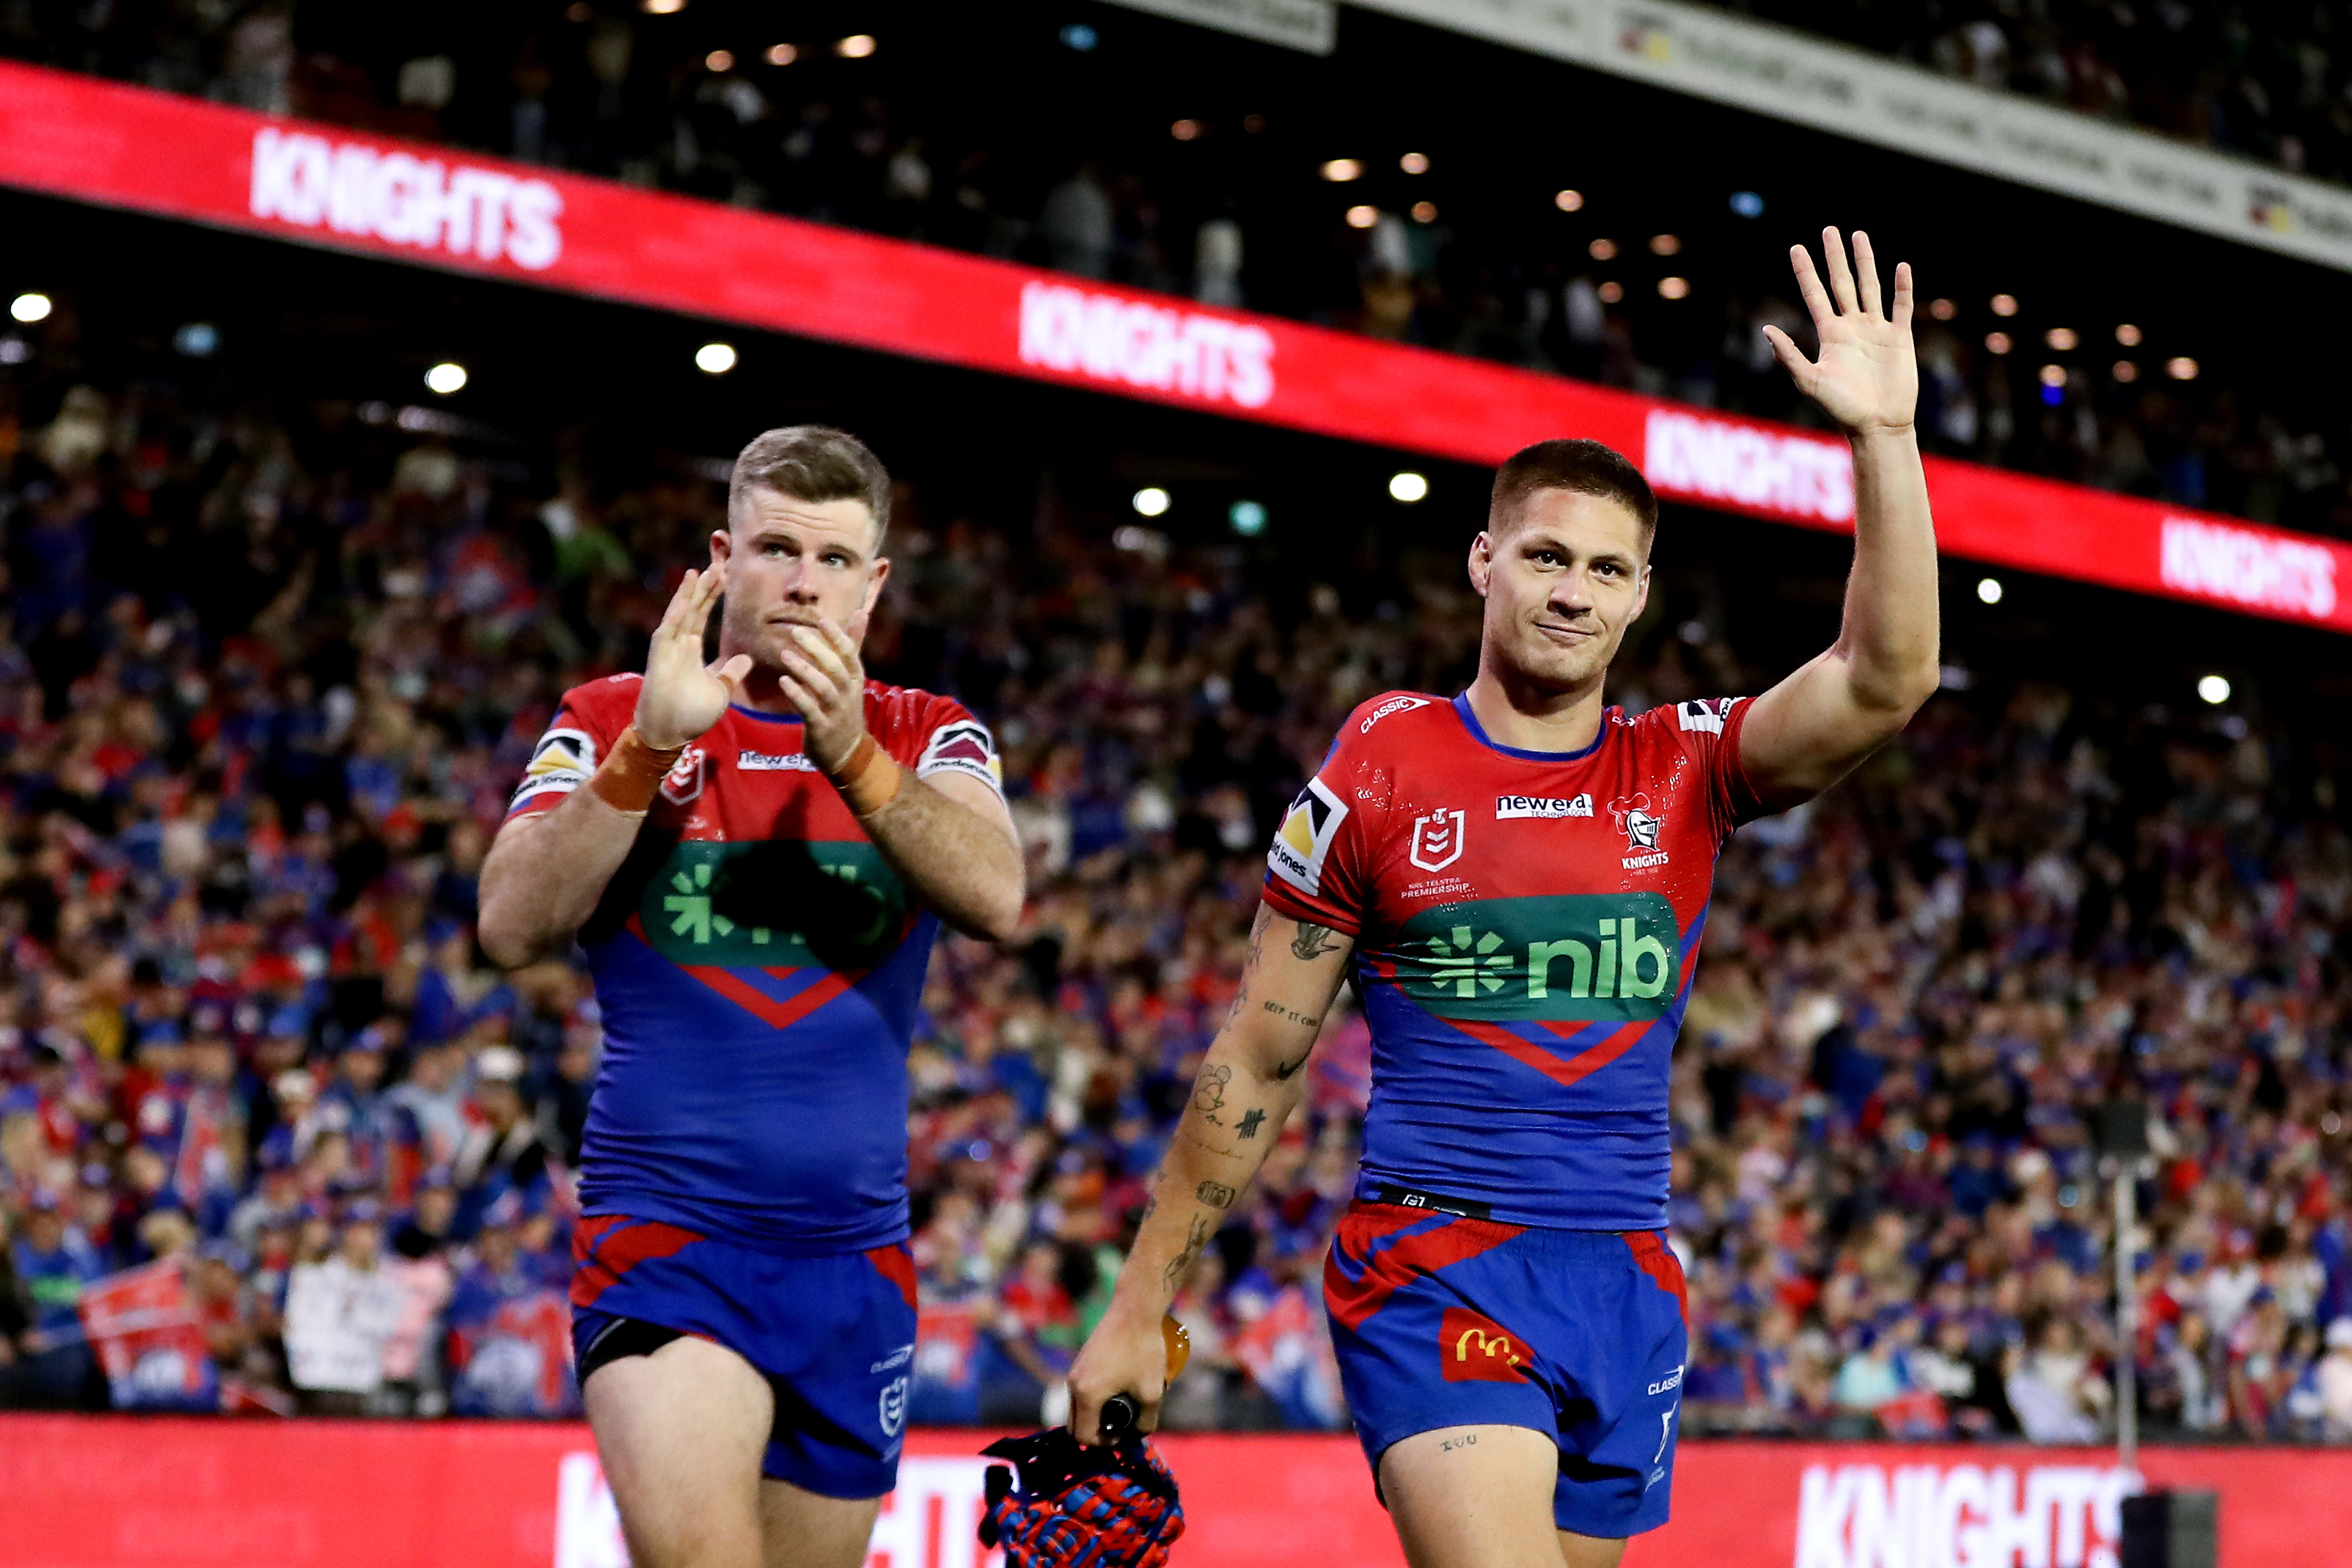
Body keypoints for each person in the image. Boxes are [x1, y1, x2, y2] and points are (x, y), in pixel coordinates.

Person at [1069, 230, 1937, 1567]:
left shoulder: (1686, 768)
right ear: (1485, 564)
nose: (1571, 592)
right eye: (1545, 558)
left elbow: (1885, 681)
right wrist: (1144, 1303)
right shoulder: (1384, 763)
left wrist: (1884, 441)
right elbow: (1259, 1051)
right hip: (1435, 1262)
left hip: (1626, 1281)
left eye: (1604, 570)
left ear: (1641, 596)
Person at [476, 425, 1024, 1568]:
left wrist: (853, 753)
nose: (803, 583)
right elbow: (510, 924)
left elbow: (995, 896)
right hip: (669, 1245)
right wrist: (643, 750)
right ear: (723, 559)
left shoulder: (929, 731)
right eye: (778, 548)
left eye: (835, 560)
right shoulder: (611, 713)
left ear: (875, 582)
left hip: (856, 1264)